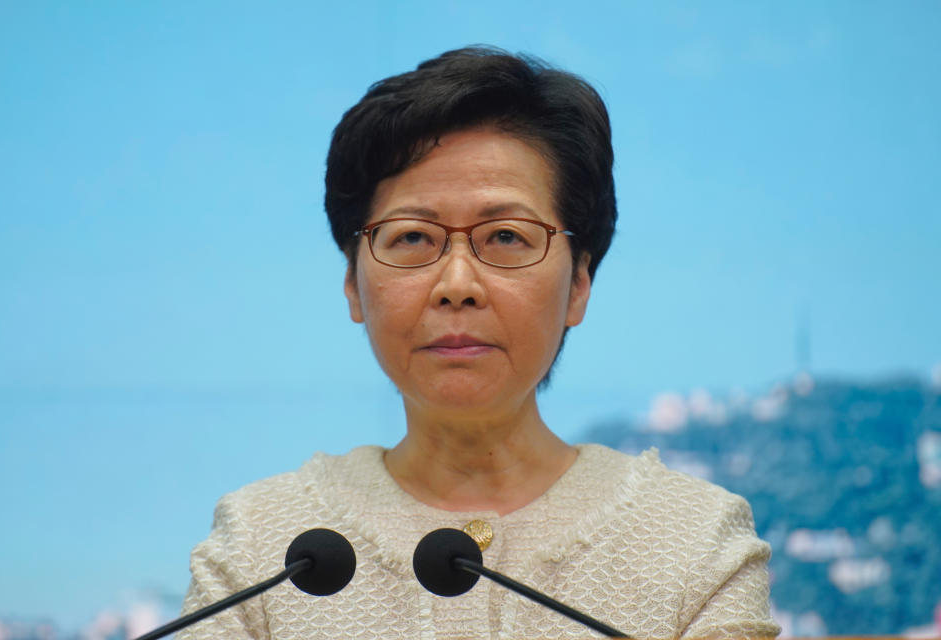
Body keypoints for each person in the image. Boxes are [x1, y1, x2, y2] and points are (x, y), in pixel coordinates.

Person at [177, 47, 780, 639]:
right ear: (353, 285)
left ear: (578, 284)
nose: (457, 285)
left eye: (506, 237)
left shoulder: (695, 542)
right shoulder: (262, 547)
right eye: (412, 236)